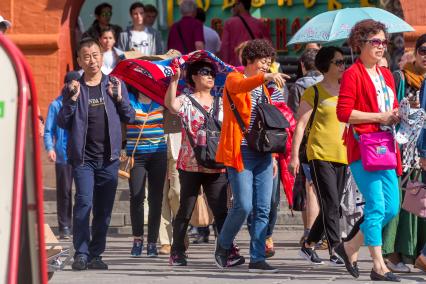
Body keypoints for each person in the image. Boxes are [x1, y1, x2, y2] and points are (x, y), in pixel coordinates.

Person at [57, 37, 135, 271]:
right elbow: (62, 121)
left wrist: (120, 99)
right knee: (84, 203)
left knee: (103, 209)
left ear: (102, 57)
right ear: (79, 60)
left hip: (109, 158)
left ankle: (95, 254)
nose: (92, 60)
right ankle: (80, 253)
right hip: (83, 159)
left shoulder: (114, 85)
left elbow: (129, 116)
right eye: (86, 56)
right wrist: (71, 101)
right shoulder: (74, 87)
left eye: (96, 55)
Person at [214, 39, 288, 273]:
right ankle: (223, 244)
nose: (266, 66)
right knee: (244, 205)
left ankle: (257, 257)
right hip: (240, 151)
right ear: (249, 60)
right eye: (263, 61)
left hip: (263, 154)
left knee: (263, 207)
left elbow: (267, 125)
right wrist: (264, 78)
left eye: (269, 63)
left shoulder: (265, 89)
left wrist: (274, 157)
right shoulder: (234, 79)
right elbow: (239, 88)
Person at [335, 20, 401, 282]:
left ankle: (349, 246)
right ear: (360, 44)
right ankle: (377, 265)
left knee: (392, 208)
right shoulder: (353, 73)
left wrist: (398, 114)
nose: (381, 47)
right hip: (364, 148)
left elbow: (392, 106)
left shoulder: (386, 74)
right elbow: (344, 113)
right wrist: (380, 116)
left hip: (387, 147)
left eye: (384, 42)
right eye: (376, 42)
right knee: (376, 206)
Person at [165, 59, 242, 266]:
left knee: (221, 211)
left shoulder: (221, 101)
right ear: (193, 77)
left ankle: (227, 250)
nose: (210, 76)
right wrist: (174, 81)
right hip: (190, 163)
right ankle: (177, 252)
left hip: (216, 163)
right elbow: (171, 106)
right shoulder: (186, 100)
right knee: (185, 209)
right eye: (204, 72)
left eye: (212, 73)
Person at [289, 46, 347, 266]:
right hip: (318, 153)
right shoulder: (313, 92)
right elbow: (300, 125)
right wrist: (294, 157)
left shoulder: (346, 90)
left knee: (333, 204)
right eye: (338, 62)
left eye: (343, 62)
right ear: (325, 66)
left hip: (342, 153)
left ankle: (308, 245)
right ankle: (336, 249)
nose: (343, 66)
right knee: (331, 202)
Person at [381, 34, 426, 274]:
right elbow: (389, 108)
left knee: (418, 205)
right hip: (401, 149)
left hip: (421, 150)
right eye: (423, 50)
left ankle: (414, 253)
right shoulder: (400, 77)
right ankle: (391, 253)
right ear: (416, 51)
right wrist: (408, 111)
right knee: (398, 203)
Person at [126, 86, 167, 258]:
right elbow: (123, 114)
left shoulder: (160, 98)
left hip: (159, 153)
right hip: (137, 155)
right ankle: (137, 240)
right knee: (137, 196)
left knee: (156, 199)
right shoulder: (129, 99)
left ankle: (152, 242)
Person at [288, 48, 323, 247]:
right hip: (325, 140)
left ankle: (310, 232)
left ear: (302, 66)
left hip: (305, 142)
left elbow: (294, 117)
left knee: (308, 186)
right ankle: (317, 230)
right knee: (318, 187)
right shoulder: (330, 84)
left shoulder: (300, 86)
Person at [44, 71, 80, 239]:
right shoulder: (56, 104)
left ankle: (80, 225)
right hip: (63, 154)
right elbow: (48, 129)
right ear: (65, 84)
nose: (74, 87)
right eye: (71, 83)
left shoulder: (82, 102)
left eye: (77, 84)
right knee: (64, 191)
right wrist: (50, 148)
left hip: (81, 153)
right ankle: (64, 226)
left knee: (82, 192)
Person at [220, 0, 271, 66]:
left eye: (234, 5)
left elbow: (225, 47)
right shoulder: (259, 24)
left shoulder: (229, 23)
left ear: (240, 5)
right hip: (256, 66)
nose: (232, 8)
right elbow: (268, 46)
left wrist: (224, 67)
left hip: (236, 67)